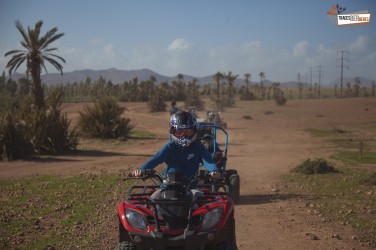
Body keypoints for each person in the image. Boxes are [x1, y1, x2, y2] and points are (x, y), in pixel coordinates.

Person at [132, 111, 220, 197]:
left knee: (201, 200)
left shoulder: (199, 148)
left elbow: (209, 162)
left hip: (191, 189)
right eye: (179, 132)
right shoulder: (170, 148)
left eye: (188, 132)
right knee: (152, 201)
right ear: (172, 131)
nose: (184, 136)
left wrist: (214, 171)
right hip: (167, 187)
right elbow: (155, 160)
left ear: (194, 130)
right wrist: (140, 170)